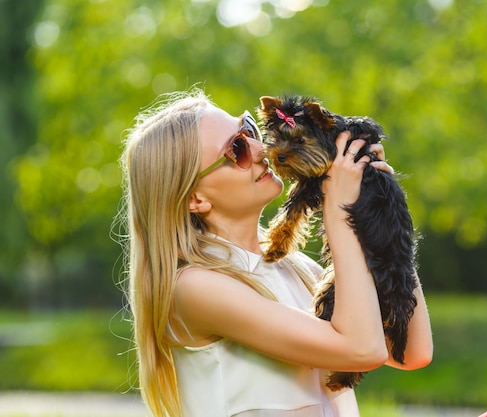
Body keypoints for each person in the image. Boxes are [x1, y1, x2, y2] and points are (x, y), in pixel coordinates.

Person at [118, 88, 433, 417]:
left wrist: (382, 208)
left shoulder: (297, 269)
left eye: (250, 131)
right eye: (236, 149)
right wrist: (340, 210)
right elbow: (363, 349)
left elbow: (412, 351)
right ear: (196, 199)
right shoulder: (194, 287)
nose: (261, 150)